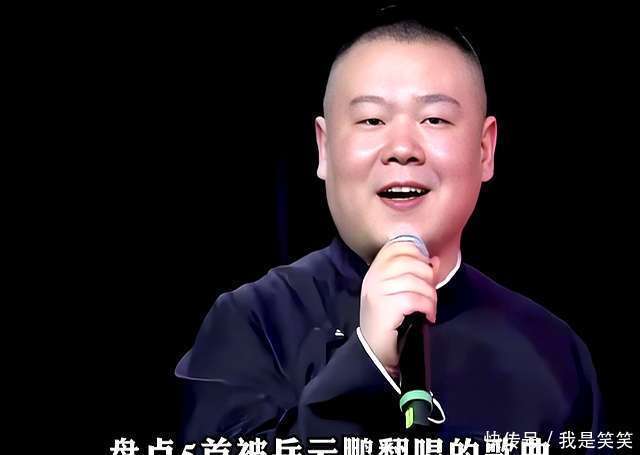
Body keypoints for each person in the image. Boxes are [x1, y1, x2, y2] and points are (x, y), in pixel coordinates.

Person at [175, 12, 606, 454]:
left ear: (484, 149)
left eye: (434, 120)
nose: (402, 149)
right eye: (371, 121)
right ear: (324, 148)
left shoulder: (552, 350)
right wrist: (368, 362)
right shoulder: (252, 322)